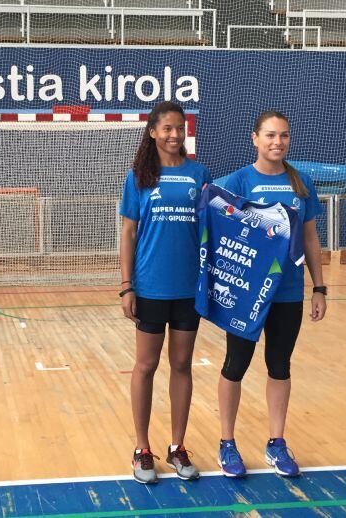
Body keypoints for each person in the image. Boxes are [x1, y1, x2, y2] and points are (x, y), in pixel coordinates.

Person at [216, 110, 327, 478]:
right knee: (235, 366)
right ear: (255, 138)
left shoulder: (301, 183)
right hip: (247, 295)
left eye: (283, 136)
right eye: (269, 135)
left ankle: (276, 443)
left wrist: (319, 287)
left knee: (280, 366)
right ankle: (227, 444)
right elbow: (215, 218)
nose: (277, 142)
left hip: (287, 293)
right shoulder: (239, 180)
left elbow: (310, 238)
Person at [119, 101, 209, 484]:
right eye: (167, 128)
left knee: (183, 365)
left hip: (188, 288)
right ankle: (142, 449)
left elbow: (213, 227)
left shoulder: (199, 173)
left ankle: (177, 445)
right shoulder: (139, 176)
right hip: (151, 287)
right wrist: (127, 286)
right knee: (146, 366)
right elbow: (128, 233)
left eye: (180, 128)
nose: (175, 134)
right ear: (153, 132)